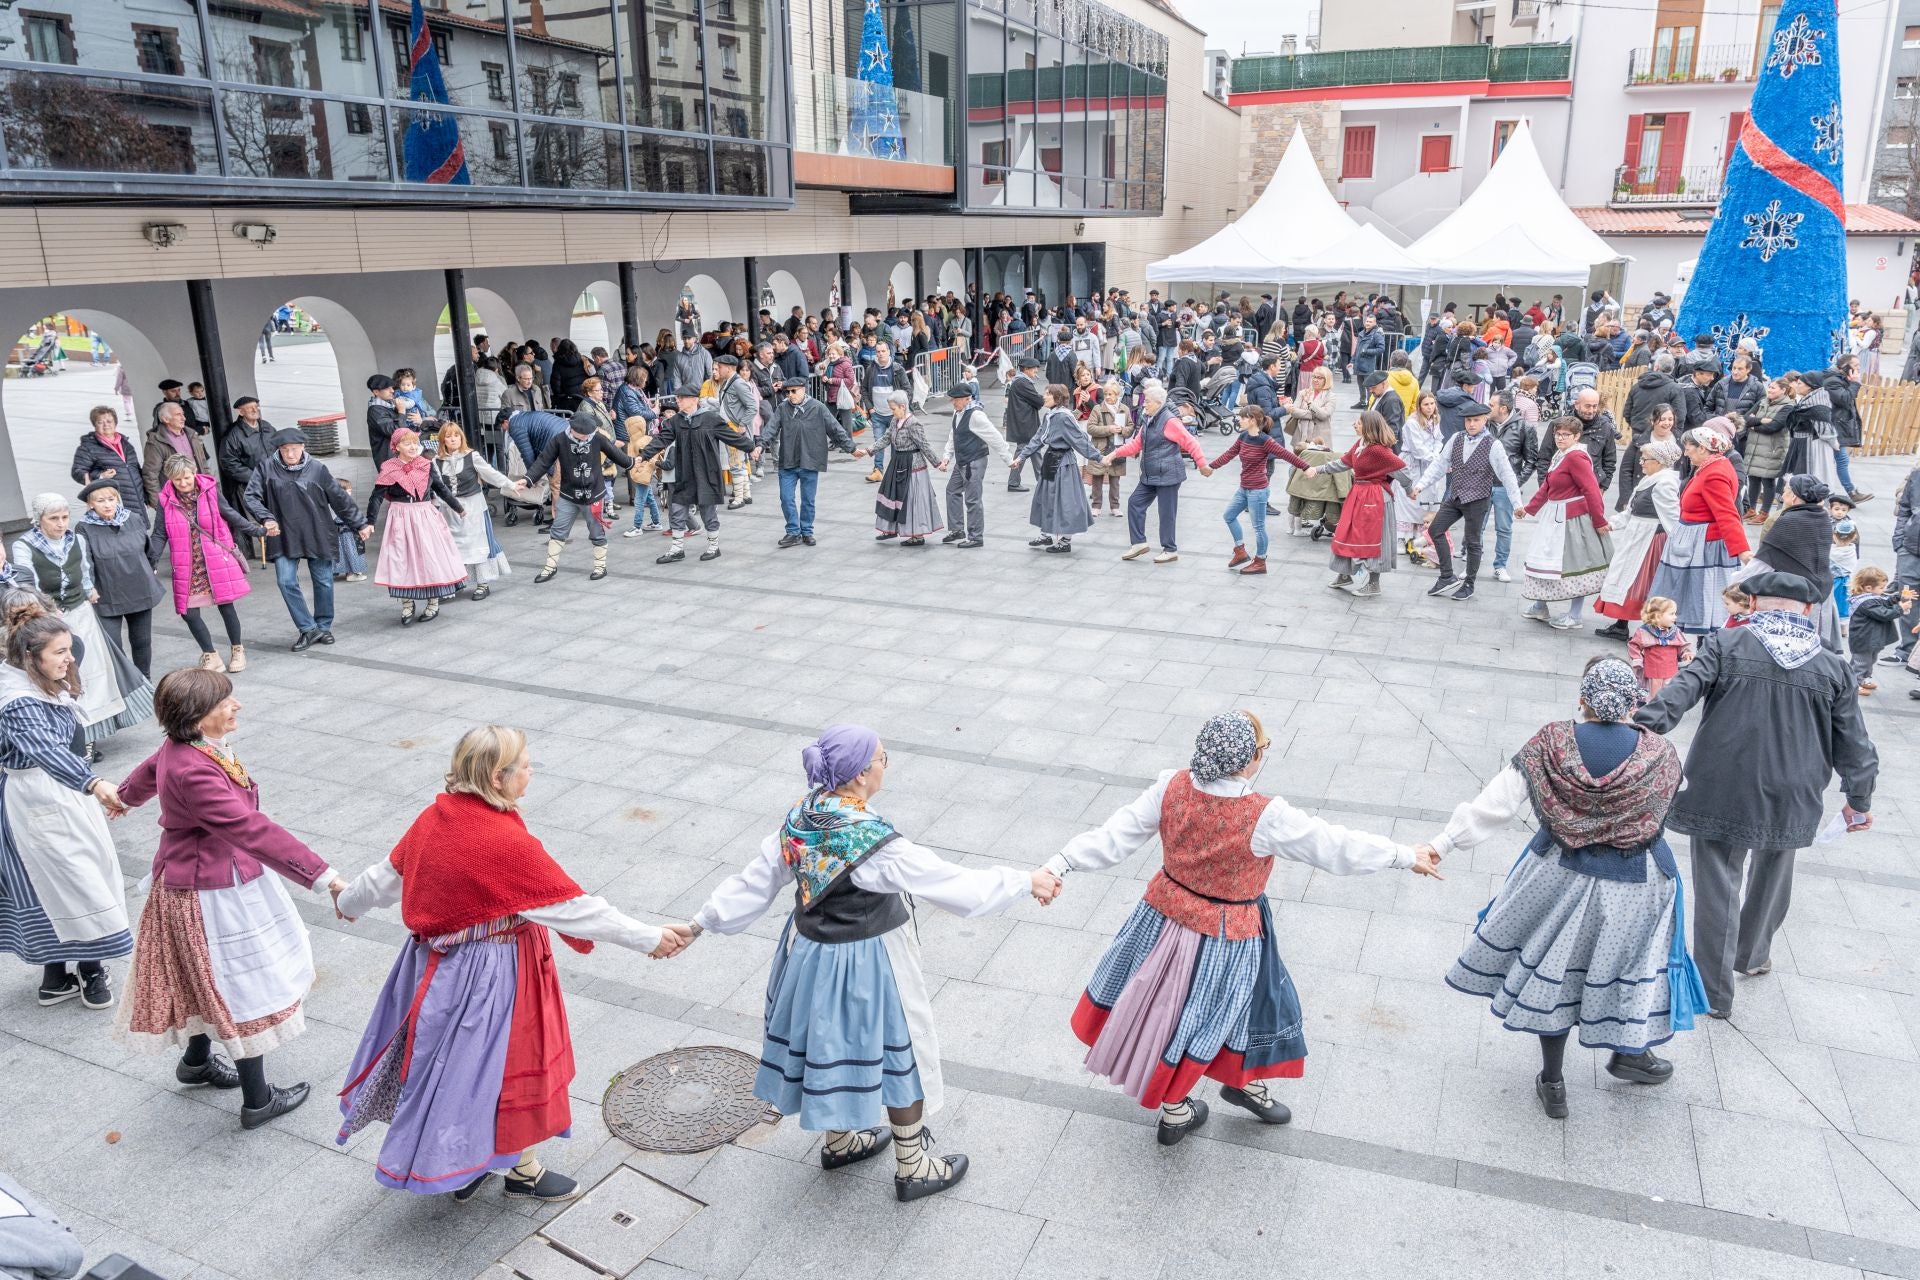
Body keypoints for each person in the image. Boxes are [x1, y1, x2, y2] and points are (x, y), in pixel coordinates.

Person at [670, 724, 1061, 1201]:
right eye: (881, 757)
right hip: (867, 960)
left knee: (825, 1044)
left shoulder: (803, 814)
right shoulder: (872, 842)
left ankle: (840, 1141)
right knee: (904, 1053)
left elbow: (755, 881)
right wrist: (1026, 880)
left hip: (809, 955)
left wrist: (699, 922)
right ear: (858, 776)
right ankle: (913, 1166)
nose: (885, 764)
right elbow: (956, 886)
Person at [1054, 711, 1440, 1144]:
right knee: (1221, 1010)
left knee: (1175, 1010)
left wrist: (1060, 864)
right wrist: (1405, 855)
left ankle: (1217, 1092)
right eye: (1262, 748)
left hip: (1161, 921)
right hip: (1227, 936)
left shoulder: (1171, 787)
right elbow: (1334, 845)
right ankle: (1189, 1104)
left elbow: (1113, 836)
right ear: (1247, 760)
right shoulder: (1264, 816)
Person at [335, 726, 679, 1202]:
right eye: (525, 766)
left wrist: (348, 903)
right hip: (489, 973)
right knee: (501, 1068)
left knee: (456, 1071)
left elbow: (385, 876)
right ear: (498, 777)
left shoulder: (436, 818)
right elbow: (575, 908)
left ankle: (472, 1159)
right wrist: (651, 938)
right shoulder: (501, 841)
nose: (531, 772)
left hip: (434, 970)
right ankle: (520, 1169)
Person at [1437, 658, 1704, 1118]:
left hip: (1558, 872)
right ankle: (1629, 1053)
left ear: (1582, 700)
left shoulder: (1552, 742)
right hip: (1636, 882)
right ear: (1634, 702)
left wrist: (1443, 844)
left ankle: (1554, 1081)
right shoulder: (1660, 753)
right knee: (1629, 969)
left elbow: (1496, 803)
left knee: (1555, 972)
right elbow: (1678, 795)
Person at [1637, 570, 1878, 1017]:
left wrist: (1637, 729)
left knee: (1717, 883)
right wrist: (1859, 798)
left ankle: (1713, 991)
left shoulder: (1726, 645)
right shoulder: (1832, 666)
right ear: (1808, 611)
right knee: (1773, 872)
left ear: (1752, 605)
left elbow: (1681, 691)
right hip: (1794, 789)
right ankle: (1750, 955)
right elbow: (1854, 741)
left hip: (1721, 783)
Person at [114, 668, 345, 1127]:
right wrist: (324, 878)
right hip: (211, 892)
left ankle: (197, 1062)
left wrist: (123, 797)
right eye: (226, 701)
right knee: (240, 984)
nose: (235, 706)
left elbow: (151, 768)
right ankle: (257, 1100)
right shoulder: (193, 769)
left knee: (201, 978)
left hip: (206, 880)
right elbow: (250, 829)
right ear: (198, 717)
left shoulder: (184, 748)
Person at [0, 615, 132, 1010]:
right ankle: (88, 972)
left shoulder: (29, 683)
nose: (70, 659)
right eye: (60, 652)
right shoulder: (17, 701)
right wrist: (92, 783)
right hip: (38, 800)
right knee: (74, 879)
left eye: (69, 649)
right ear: (30, 657)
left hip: (56, 795)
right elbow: (46, 749)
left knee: (59, 881)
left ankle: (57, 977)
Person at [10, 494, 153, 756]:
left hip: (81, 613)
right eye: (53, 518)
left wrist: (89, 591)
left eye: (64, 517)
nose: (61, 523)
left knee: (91, 674)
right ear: (38, 519)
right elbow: (27, 585)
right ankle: (73, 734)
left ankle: (90, 734)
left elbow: (84, 572)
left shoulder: (77, 539)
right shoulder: (24, 546)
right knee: (63, 675)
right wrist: (47, 612)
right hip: (48, 620)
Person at [243, 428, 369, 651]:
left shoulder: (318, 469)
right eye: (285, 450)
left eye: (294, 449)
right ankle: (307, 628)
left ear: (303, 447)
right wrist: (266, 518)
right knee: (285, 581)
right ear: (278, 450)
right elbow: (251, 496)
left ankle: (323, 626)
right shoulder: (266, 468)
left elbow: (339, 498)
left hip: (316, 531)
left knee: (323, 581)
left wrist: (359, 523)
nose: (290, 454)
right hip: (283, 534)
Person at [153, 454, 261, 674]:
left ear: (194, 473)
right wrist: (150, 561)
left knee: (226, 605)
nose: (183, 483)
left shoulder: (209, 491)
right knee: (188, 612)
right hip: (188, 563)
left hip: (215, 557)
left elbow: (230, 514)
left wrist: (256, 530)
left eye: (186, 477)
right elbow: (159, 533)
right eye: (177, 480)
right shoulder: (165, 500)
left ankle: (237, 649)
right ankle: (211, 655)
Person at [1411, 399, 1524, 602]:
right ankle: (1447, 575)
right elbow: (1439, 464)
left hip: (1477, 499)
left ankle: (1469, 584)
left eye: (1476, 420)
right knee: (1435, 530)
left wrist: (1517, 504)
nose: (1471, 424)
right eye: (1469, 420)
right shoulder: (1456, 438)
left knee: (1473, 542)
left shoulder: (1493, 445)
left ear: (1484, 420)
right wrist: (1420, 485)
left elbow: (1507, 475)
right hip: (1455, 496)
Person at [1648, 427, 1752, 635]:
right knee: (1689, 597)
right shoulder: (1709, 466)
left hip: (1704, 547)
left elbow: (1727, 513)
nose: (1685, 453)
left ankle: (1700, 649)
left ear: (1703, 448)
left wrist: (1743, 550)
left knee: (1704, 600)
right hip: (1693, 542)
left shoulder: (1715, 474)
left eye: (1688, 449)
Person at [637, 388, 754, 564]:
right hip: (684, 474)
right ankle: (677, 549)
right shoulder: (675, 421)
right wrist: (643, 455)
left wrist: (752, 448)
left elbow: (731, 437)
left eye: (681, 398)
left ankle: (714, 547)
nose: (678, 401)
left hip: (707, 474)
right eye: (677, 398)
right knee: (677, 509)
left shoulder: (711, 419)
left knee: (708, 512)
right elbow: (661, 440)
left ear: (694, 400)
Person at [1519, 418, 1614, 630]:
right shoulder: (1561, 455)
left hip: (1573, 519)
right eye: (1558, 434)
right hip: (1555, 515)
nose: (1561, 438)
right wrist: (1529, 508)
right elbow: (1548, 485)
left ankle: (1575, 614)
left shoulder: (1577, 457)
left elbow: (1592, 490)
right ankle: (1540, 605)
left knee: (1574, 564)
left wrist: (1598, 520)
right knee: (1546, 559)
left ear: (1577, 436)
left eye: (1566, 435)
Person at [1106, 379, 1212, 565]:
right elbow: (1136, 444)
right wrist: (1114, 454)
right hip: (1150, 474)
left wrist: (1202, 464)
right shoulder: (1148, 418)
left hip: (1168, 474)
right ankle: (1139, 543)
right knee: (1134, 503)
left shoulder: (1169, 421)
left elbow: (1191, 441)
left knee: (1166, 513)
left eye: (1147, 401)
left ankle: (1170, 549)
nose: (1143, 404)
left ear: (1157, 403)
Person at [1310, 410, 1409, 598]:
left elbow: (1401, 470)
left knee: (1372, 539)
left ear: (1369, 426)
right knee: (1347, 533)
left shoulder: (1378, 450)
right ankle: (1344, 574)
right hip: (1359, 495)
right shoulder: (1361, 445)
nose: (1354, 425)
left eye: (1358, 423)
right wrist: (1317, 469)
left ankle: (1374, 583)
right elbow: (1342, 463)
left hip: (1375, 498)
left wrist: (1410, 489)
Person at [529, 412, 635, 583]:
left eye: (589, 432)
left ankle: (600, 567)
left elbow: (616, 454)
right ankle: (550, 568)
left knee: (596, 532)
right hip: (568, 495)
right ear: (572, 429)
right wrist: (527, 479)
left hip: (594, 495)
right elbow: (543, 461)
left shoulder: (597, 438)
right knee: (558, 530)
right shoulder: (559, 440)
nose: (587, 436)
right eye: (583, 433)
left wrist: (633, 463)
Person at [1595, 437, 1684, 639]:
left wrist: (1678, 546)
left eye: (1645, 459)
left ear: (1659, 462)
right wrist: (1613, 523)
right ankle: (1621, 624)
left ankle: (1655, 629)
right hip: (1638, 535)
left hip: (1650, 540)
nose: (1641, 462)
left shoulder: (1664, 484)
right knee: (1628, 578)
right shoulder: (1650, 479)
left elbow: (1673, 517)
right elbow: (1632, 511)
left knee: (1642, 582)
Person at [74, 480, 164, 679]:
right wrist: (88, 587)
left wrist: (152, 568)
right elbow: (84, 561)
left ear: (117, 499)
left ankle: (144, 679)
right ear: (90, 504)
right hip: (107, 593)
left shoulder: (133, 518)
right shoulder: (83, 528)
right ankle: (126, 682)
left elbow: (147, 548)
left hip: (139, 587)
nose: (107, 504)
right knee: (113, 645)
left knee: (142, 641)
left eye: (111, 499)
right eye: (100, 500)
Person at [763, 376, 862, 548]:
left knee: (808, 500)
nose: (790, 395)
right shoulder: (782, 408)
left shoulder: (818, 407)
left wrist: (851, 449)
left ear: (804, 390)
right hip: (788, 461)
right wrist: (759, 445)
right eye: (787, 392)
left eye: (794, 391)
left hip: (810, 460)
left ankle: (807, 531)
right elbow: (770, 428)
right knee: (786, 498)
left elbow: (835, 429)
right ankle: (793, 532)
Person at [1210, 406, 1306, 577]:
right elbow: (1229, 453)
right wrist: (1211, 467)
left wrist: (1307, 468)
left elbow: (1286, 455)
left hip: (1258, 491)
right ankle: (1240, 551)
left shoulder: (1265, 441)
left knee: (1259, 527)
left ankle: (1260, 561)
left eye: (1242, 418)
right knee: (1229, 516)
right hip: (1244, 488)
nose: (1239, 420)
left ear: (1252, 419)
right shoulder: (1244, 436)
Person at [433, 423, 521, 601]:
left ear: (461, 438)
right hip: (449, 511)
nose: (453, 439)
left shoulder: (472, 456)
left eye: (456, 435)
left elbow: (491, 474)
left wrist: (511, 484)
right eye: (449, 436)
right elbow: (435, 487)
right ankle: (456, 582)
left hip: (473, 508)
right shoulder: (436, 461)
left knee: (477, 545)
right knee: (453, 547)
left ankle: (483, 583)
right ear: (443, 440)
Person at [1013, 384, 1104, 555]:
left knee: (1066, 501)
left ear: (1057, 398)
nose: (1044, 397)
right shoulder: (1050, 415)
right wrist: (1021, 457)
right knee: (1046, 497)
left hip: (1064, 463)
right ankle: (1046, 533)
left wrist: (1099, 457)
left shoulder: (1063, 417)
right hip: (1051, 459)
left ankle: (1065, 540)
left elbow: (1079, 440)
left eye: (1047, 394)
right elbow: (1038, 438)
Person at [936, 380, 1015, 549]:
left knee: (972, 499)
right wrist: (946, 457)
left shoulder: (976, 415)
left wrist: (1008, 459)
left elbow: (995, 437)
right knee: (952, 490)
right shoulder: (957, 412)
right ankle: (957, 529)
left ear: (967, 399)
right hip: (962, 460)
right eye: (952, 399)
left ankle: (976, 536)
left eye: (956, 399)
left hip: (974, 461)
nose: (952, 402)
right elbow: (953, 435)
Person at [873, 390, 943, 547]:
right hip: (897, 462)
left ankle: (917, 535)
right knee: (892, 496)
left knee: (912, 500)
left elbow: (924, 446)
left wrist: (938, 464)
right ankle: (890, 528)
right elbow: (885, 438)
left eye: (893, 408)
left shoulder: (913, 423)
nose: (892, 412)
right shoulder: (894, 421)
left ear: (902, 406)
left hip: (913, 466)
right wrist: (870, 450)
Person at [71, 405, 149, 515]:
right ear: (95, 425)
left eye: (109, 421)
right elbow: (77, 472)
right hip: (112, 504)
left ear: (115, 423)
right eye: (100, 422)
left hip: (137, 502)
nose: (106, 425)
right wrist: (101, 476)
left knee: (139, 530)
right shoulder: (88, 448)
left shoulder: (125, 444)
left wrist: (146, 496)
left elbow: (136, 471)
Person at [1846, 568, 1910, 693]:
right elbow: (1884, 613)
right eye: (1881, 588)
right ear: (1868, 588)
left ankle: (1863, 679)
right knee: (1861, 662)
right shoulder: (1865, 602)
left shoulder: (1872, 598)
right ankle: (1853, 683)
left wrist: (1898, 597)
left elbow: (1885, 601)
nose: (1884, 590)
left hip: (1872, 639)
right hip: (1863, 639)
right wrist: (1900, 608)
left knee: (1870, 660)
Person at [141, 402, 211, 507]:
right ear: (165, 419)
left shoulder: (192, 435)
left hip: (201, 493)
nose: (184, 418)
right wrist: (160, 505)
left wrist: (210, 488)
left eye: (183, 414)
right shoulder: (156, 442)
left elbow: (203, 464)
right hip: (176, 498)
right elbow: (150, 476)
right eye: (178, 415)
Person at [1082, 378, 1132, 519]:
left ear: (1117, 395)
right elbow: (1090, 428)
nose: (1108, 397)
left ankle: (1115, 506)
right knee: (1097, 478)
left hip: (1117, 449)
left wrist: (1122, 430)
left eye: (1111, 394)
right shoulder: (1098, 409)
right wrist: (1108, 429)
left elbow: (1130, 427)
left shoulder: (1124, 409)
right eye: (1106, 394)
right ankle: (1096, 506)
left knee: (1115, 479)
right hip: (1100, 449)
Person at [1628, 597, 1694, 695]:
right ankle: (1651, 708)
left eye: (1675, 613)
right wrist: (1637, 660)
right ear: (1658, 616)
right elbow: (1634, 645)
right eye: (1671, 614)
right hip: (1653, 673)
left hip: (1671, 672)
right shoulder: (1644, 632)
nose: (1675, 617)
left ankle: (1666, 709)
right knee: (1653, 697)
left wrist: (1686, 653)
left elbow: (1682, 645)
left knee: (1669, 695)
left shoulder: (1675, 632)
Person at [1003, 355, 1046, 491]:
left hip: (1024, 423)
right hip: (1024, 424)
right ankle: (1038, 483)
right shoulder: (1023, 382)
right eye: (1034, 369)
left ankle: (1040, 482)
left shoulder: (1021, 381)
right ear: (1026, 369)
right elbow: (1038, 401)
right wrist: (1042, 399)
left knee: (1033, 451)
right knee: (1025, 451)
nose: (1036, 371)